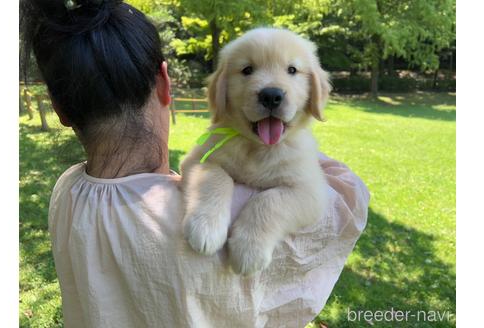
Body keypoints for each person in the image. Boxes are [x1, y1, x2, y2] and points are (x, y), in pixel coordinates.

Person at [20, 0, 370, 327]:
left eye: (292, 70)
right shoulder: (209, 220)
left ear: (59, 108)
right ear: (164, 84)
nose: (270, 88)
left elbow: (199, 165)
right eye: (247, 70)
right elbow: (347, 199)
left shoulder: (65, 190)